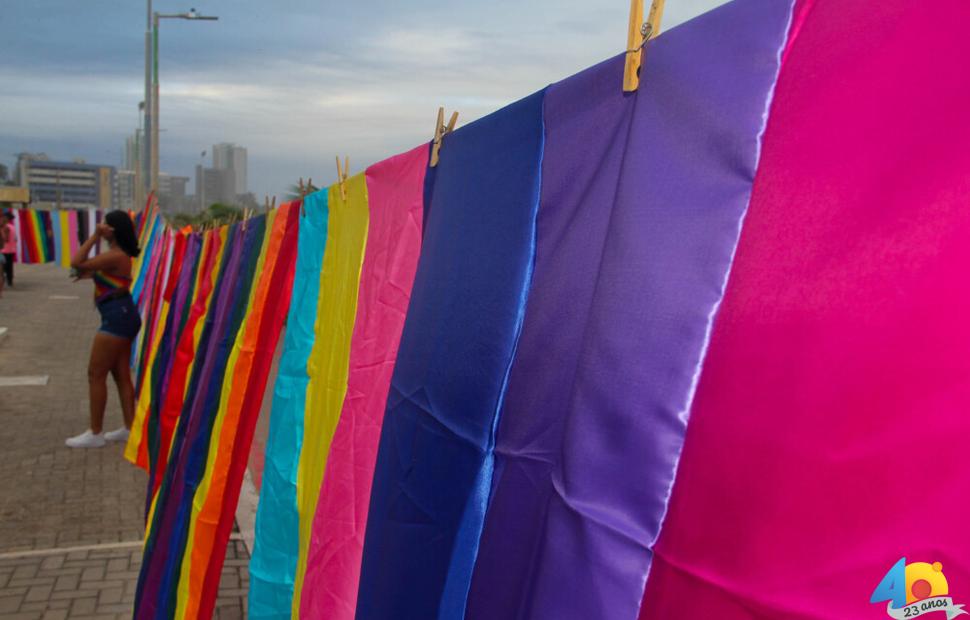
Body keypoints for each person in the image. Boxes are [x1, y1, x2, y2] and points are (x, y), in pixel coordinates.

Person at [65, 210, 142, 449]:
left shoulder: (116, 255)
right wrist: (91, 274)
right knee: (120, 376)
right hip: (121, 315)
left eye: (104, 225)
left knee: (95, 373)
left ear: (112, 230)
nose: (101, 226)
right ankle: (130, 428)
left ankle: (95, 432)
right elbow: (84, 270)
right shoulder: (117, 256)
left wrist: (94, 236)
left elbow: (76, 262)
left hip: (116, 319)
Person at [1, 211, 15, 287]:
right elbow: (15, 239)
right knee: (9, 266)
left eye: (3, 217)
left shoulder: (6, 227)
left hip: (5, 250)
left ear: (7, 218)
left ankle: (6, 281)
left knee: (4, 267)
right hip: (11, 250)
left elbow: (6, 239)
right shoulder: (12, 226)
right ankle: (10, 281)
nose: (2, 218)